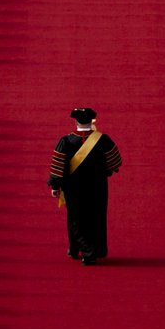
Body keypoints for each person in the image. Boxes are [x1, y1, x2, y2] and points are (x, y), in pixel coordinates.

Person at [47, 108, 122, 265]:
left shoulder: (66, 141)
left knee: (75, 218)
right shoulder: (103, 140)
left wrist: (55, 186)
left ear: (75, 121)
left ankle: (87, 252)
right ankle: (85, 248)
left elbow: (57, 166)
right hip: (98, 187)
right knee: (95, 217)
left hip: (73, 188)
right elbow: (115, 163)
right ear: (92, 121)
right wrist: (105, 172)